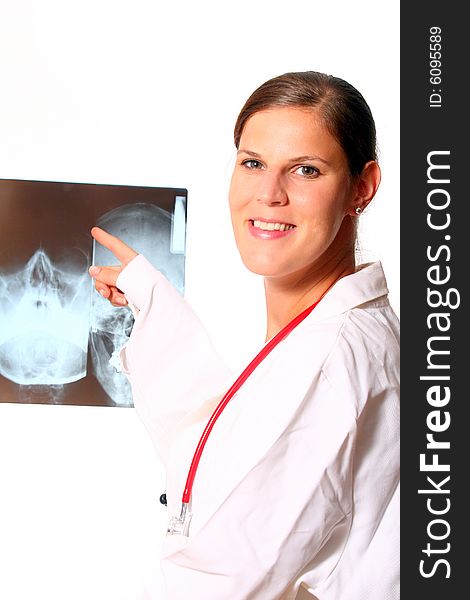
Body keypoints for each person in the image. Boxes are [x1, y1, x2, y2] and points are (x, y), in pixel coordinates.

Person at [89, 71, 399, 600]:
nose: (269, 195)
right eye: (252, 163)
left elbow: (223, 577)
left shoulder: (328, 358)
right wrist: (156, 310)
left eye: (305, 170)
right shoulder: (331, 335)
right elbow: (223, 466)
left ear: (361, 188)